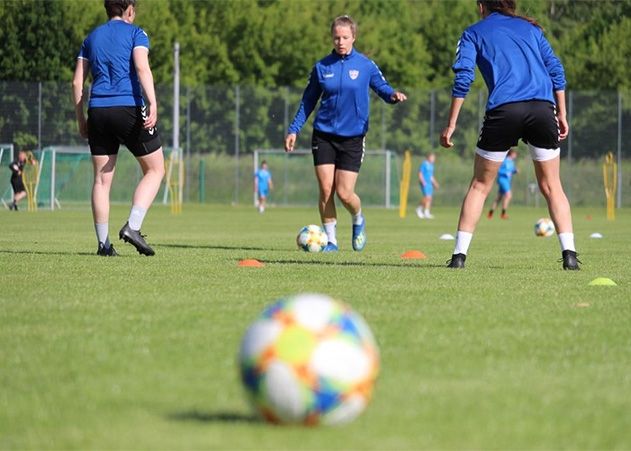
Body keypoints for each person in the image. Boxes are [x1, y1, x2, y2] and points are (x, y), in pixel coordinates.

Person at [440, 0, 580, 270]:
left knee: (480, 186)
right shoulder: (531, 29)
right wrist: (561, 113)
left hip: (505, 111)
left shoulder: (473, 32)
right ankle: (570, 256)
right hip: (542, 109)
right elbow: (557, 71)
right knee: (552, 186)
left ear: (481, 6)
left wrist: (451, 124)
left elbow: (464, 77)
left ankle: (458, 257)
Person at [284, 15, 407, 252]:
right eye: (336, 37)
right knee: (326, 189)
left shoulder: (365, 65)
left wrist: (393, 96)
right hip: (324, 135)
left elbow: (382, 88)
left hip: (353, 137)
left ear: (354, 37)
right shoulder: (321, 67)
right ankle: (331, 241)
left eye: (345, 37)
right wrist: (293, 129)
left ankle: (358, 218)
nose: (340, 41)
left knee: (344, 192)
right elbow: (308, 100)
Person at [73, 0, 164, 257]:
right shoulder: (137, 33)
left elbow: (76, 81)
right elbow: (141, 67)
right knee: (155, 169)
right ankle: (133, 227)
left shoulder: (91, 38)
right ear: (130, 9)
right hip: (128, 107)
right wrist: (154, 101)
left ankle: (103, 245)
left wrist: (81, 119)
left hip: (98, 110)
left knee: (102, 180)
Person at [488, 149, 518, 219]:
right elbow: (498, 170)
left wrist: (515, 171)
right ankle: (503, 214)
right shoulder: (505, 161)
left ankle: (490, 213)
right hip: (503, 180)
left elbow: (510, 170)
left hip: (506, 181)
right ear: (511, 154)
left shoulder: (511, 162)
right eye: (515, 154)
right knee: (508, 195)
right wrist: (505, 173)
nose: (516, 156)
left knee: (499, 198)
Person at [416, 152, 439, 219]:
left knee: (430, 198)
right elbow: (420, 173)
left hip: (429, 183)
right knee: (427, 197)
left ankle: (426, 212)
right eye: (432, 157)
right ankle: (419, 209)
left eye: (434, 158)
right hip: (425, 183)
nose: (433, 159)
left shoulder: (431, 165)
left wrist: (435, 183)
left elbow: (431, 176)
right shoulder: (424, 164)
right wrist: (422, 181)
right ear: (428, 157)